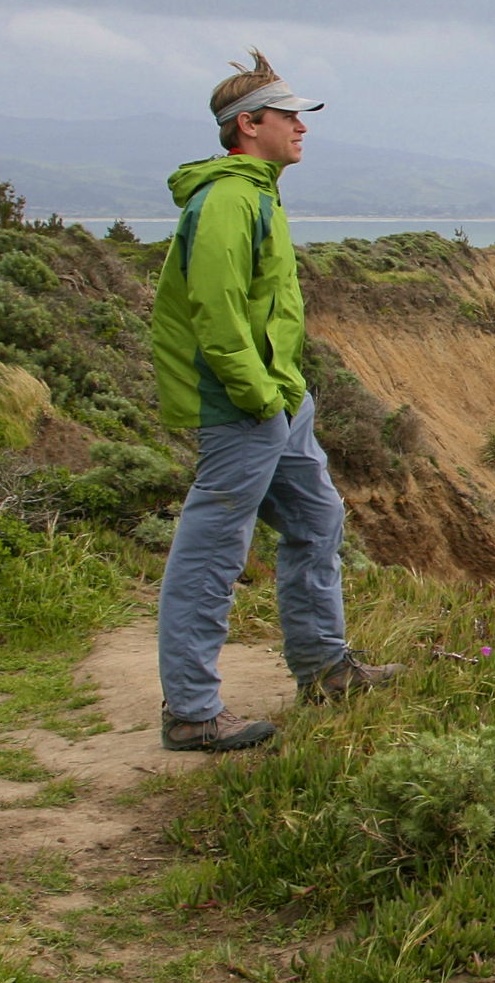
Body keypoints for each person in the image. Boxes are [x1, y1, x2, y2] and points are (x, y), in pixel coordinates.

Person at [149, 49, 402, 752]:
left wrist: (285, 395)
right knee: (212, 551)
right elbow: (217, 312)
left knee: (318, 517)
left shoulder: (257, 190)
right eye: (289, 115)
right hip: (242, 406)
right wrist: (260, 396)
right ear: (249, 123)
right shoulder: (230, 197)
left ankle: (325, 667)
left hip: (278, 401)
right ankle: (193, 710)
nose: (302, 127)